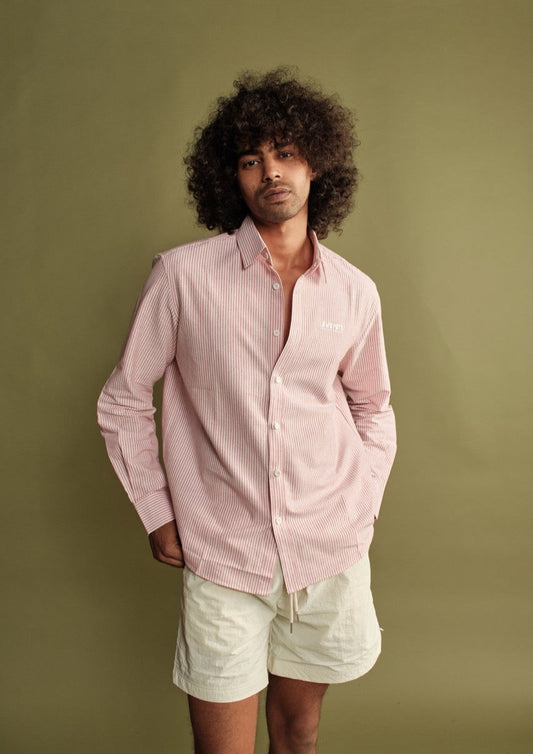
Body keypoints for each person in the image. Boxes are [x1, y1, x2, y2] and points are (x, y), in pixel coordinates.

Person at [97, 68, 396, 754]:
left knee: (298, 734)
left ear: (315, 164)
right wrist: (156, 509)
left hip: (327, 549)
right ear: (228, 177)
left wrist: (363, 503)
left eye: (286, 153)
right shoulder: (181, 276)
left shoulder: (355, 292)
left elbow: (373, 407)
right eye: (250, 159)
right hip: (223, 552)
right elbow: (122, 400)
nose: (271, 172)